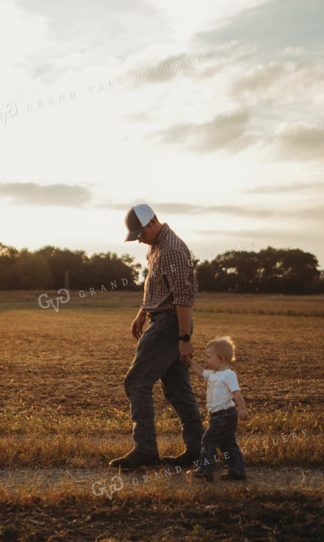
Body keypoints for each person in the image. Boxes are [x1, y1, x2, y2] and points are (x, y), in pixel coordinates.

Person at [109, 204, 204, 470]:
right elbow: (156, 283)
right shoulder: (156, 246)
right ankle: (198, 450)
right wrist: (142, 313)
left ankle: (145, 450)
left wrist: (184, 337)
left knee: (136, 381)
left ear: (152, 222)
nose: (139, 239)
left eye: (140, 233)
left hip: (170, 324)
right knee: (177, 389)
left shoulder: (172, 249)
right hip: (162, 319)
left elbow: (183, 297)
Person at [186, 336, 247, 481]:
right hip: (217, 416)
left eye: (208, 357)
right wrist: (189, 362)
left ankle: (206, 470)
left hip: (225, 415)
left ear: (221, 358)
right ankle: (237, 471)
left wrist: (243, 409)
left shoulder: (228, 375)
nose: (206, 360)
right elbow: (201, 371)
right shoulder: (213, 374)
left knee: (208, 440)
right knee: (228, 444)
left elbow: (236, 393)